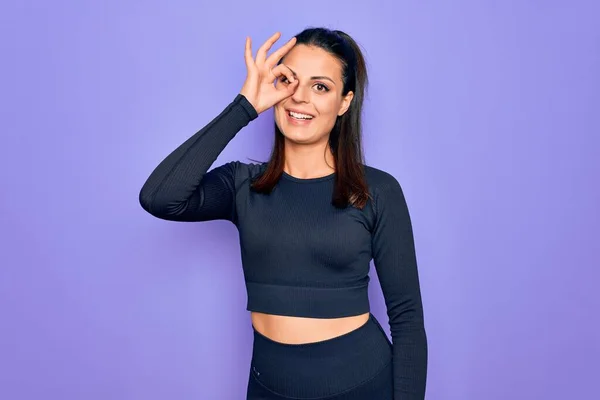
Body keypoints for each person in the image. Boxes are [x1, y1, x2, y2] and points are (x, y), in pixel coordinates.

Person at [139, 27, 427, 400]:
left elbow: (407, 320)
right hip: (268, 388)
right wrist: (244, 106)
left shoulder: (377, 191)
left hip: (361, 385)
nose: (301, 98)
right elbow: (159, 198)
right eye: (290, 80)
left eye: (320, 87)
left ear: (344, 102)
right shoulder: (243, 185)